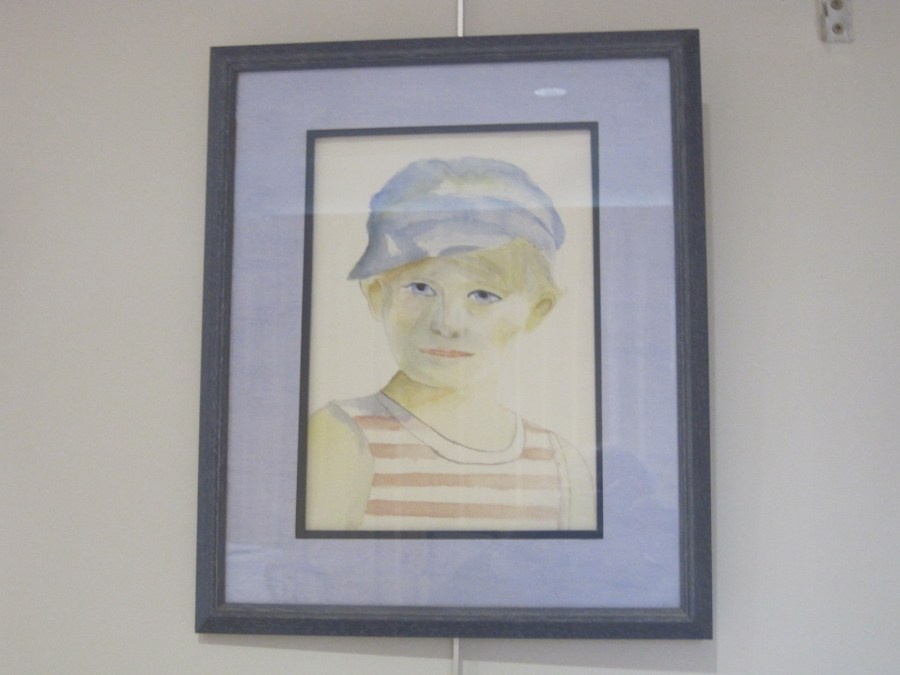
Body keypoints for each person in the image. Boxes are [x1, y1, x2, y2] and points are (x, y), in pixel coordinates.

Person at [303, 157, 596, 531]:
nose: (446, 324)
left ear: (537, 311)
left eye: (484, 295)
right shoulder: (342, 437)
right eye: (421, 288)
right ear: (376, 294)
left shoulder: (561, 465)